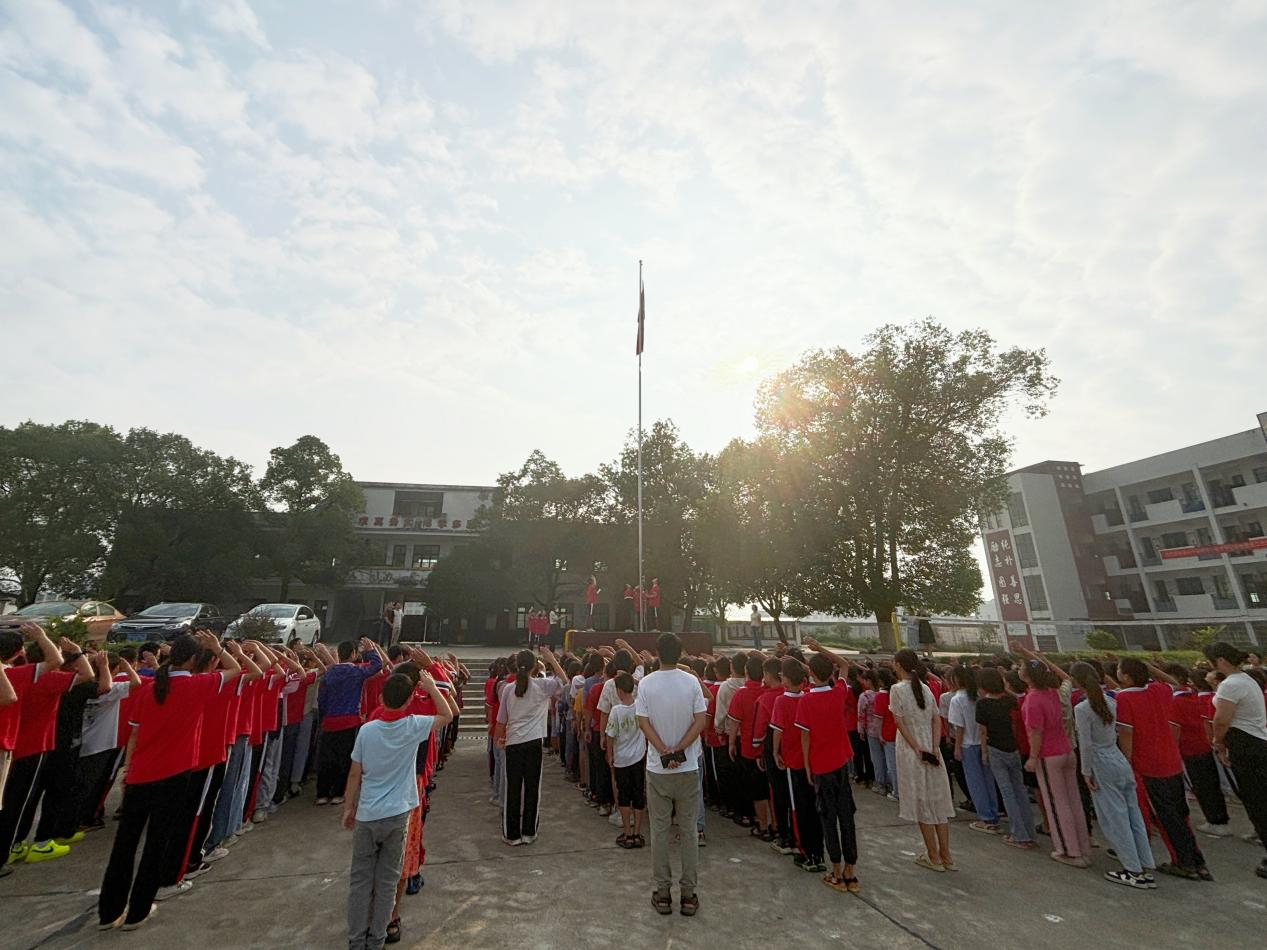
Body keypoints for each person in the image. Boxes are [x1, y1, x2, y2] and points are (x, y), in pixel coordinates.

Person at [97, 631, 241, 931]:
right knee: (156, 843)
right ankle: (137, 911)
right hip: (174, 775)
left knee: (124, 845)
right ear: (193, 659)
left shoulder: (150, 689)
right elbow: (236, 669)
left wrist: (127, 771)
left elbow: (134, 735)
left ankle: (108, 912)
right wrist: (217, 648)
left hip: (139, 775)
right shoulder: (198, 685)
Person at [343, 670, 452, 950]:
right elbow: (447, 714)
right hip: (398, 814)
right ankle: (377, 938)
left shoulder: (367, 729)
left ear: (382, 697)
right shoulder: (412, 726)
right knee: (388, 881)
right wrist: (431, 686)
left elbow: (355, 773)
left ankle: (356, 940)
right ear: (409, 700)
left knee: (360, 881)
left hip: (368, 812)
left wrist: (348, 807)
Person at [1115, 657, 1209, 880]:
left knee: (1166, 817)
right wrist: (1147, 667)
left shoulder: (1124, 697)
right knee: (1181, 814)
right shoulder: (1158, 690)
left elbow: (1126, 734)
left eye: (1119, 669)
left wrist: (1126, 761)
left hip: (1148, 765)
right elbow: (1174, 683)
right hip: (1171, 760)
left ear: (1126, 676)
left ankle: (1184, 862)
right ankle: (1196, 860)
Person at [635, 632, 709, 917]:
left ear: (657, 654)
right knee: (689, 831)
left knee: (660, 830)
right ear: (680, 654)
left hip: (658, 768)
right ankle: (688, 894)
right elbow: (700, 720)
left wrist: (663, 749)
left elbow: (643, 722)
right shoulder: (691, 682)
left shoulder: (647, 683)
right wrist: (680, 749)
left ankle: (663, 892)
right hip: (688, 766)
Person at [1069, 663, 1156, 889]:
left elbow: (1086, 743)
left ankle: (1132, 870)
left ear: (1076, 681)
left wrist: (1085, 771)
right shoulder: (1112, 701)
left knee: (1115, 819)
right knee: (1133, 815)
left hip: (1101, 762)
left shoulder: (1082, 708)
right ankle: (1144, 864)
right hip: (1117, 758)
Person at [796, 651, 861, 893]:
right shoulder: (838, 692)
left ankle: (835, 870)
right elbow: (844, 664)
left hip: (821, 764)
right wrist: (819, 648)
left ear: (811, 674)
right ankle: (850, 870)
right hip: (841, 762)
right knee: (846, 816)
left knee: (828, 817)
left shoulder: (806, 700)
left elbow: (805, 737)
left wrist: (807, 765)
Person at [1204, 642, 1267, 879]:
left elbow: (1221, 719)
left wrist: (1218, 742)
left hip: (1246, 745)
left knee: (1257, 802)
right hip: (1256, 742)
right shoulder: (1246, 680)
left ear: (1220, 660)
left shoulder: (1231, 685)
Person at [890, 650, 955, 872]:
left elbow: (899, 722)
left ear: (898, 665)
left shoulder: (897, 689)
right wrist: (934, 747)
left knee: (922, 802)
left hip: (912, 748)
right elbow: (936, 719)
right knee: (937, 801)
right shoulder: (925, 688)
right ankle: (946, 855)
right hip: (930, 745)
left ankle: (933, 856)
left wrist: (916, 747)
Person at [495, 648, 565, 845]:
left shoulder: (508, 689)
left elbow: (501, 720)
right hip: (533, 743)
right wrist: (552, 660)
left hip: (513, 743)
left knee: (513, 789)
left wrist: (499, 739)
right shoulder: (542, 685)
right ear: (535, 666)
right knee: (532, 788)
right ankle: (529, 832)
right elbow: (564, 682)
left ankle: (512, 835)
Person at [770, 657, 825, 872]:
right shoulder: (809, 696)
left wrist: (775, 752)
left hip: (793, 760)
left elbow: (778, 730)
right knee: (814, 807)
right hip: (811, 759)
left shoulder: (781, 701)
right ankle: (818, 851)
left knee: (797, 807)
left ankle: (804, 850)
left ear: (785, 679)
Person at [316, 639, 384, 805]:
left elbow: (321, 699)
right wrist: (371, 650)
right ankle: (338, 792)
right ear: (353, 654)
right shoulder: (356, 671)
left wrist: (325, 715)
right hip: (349, 720)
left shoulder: (329, 673)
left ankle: (322, 793)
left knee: (327, 758)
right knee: (345, 758)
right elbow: (377, 665)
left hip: (329, 720)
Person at [975, 668, 1036, 849]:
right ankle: (1029, 832)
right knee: (1020, 791)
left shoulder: (983, 704)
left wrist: (984, 752)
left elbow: (983, 731)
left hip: (995, 748)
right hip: (1013, 748)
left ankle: (1019, 834)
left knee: (1007, 792)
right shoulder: (1010, 700)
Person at [947, 666, 1000, 834]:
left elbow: (959, 727)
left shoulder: (957, 699)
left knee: (975, 783)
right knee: (988, 780)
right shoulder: (979, 696)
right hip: (983, 743)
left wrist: (957, 747)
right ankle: (993, 813)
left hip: (968, 744)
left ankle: (986, 818)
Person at [606, 672, 647, 848]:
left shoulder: (616, 710)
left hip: (621, 759)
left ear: (619, 691)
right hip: (638, 757)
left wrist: (609, 754)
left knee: (623, 795)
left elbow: (610, 735)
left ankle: (628, 833)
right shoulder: (640, 707)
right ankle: (637, 832)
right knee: (638, 794)